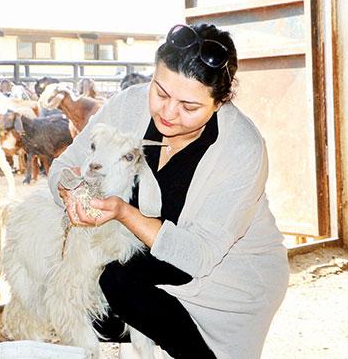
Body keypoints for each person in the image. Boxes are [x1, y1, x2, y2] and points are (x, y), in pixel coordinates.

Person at [47, 23, 289, 359]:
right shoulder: (128, 105)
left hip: (227, 277)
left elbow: (198, 255)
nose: (168, 113)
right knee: (92, 294)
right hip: (150, 253)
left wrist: (123, 212)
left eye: (189, 107)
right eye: (160, 93)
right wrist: (71, 190)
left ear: (219, 103)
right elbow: (64, 168)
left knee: (117, 283)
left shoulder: (242, 147)